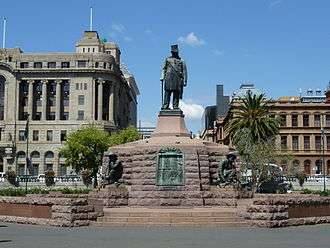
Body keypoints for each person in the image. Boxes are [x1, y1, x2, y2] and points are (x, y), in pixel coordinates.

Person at [160, 44, 187, 109]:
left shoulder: (181, 61)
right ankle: (165, 106)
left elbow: (185, 71)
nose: (174, 53)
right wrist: (162, 76)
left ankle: (175, 106)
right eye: (173, 52)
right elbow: (164, 68)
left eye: (175, 52)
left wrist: (185, 81)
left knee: (176, 92)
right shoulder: (167, 59)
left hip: (177, 78)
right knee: (167, 92)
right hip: (168, 77)